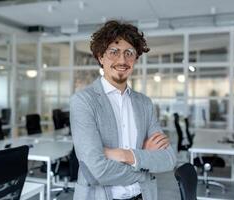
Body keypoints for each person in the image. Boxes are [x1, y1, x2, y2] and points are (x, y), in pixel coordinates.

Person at [70, 20, 177, 200]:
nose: (122, 60)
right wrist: (145, 165)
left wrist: (124, 155)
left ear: (135, 59)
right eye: (114, 52)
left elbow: (168, 159)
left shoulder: (144, 103)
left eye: (129, 53)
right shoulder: (83, 101)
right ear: (100, 57)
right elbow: (97, 172)